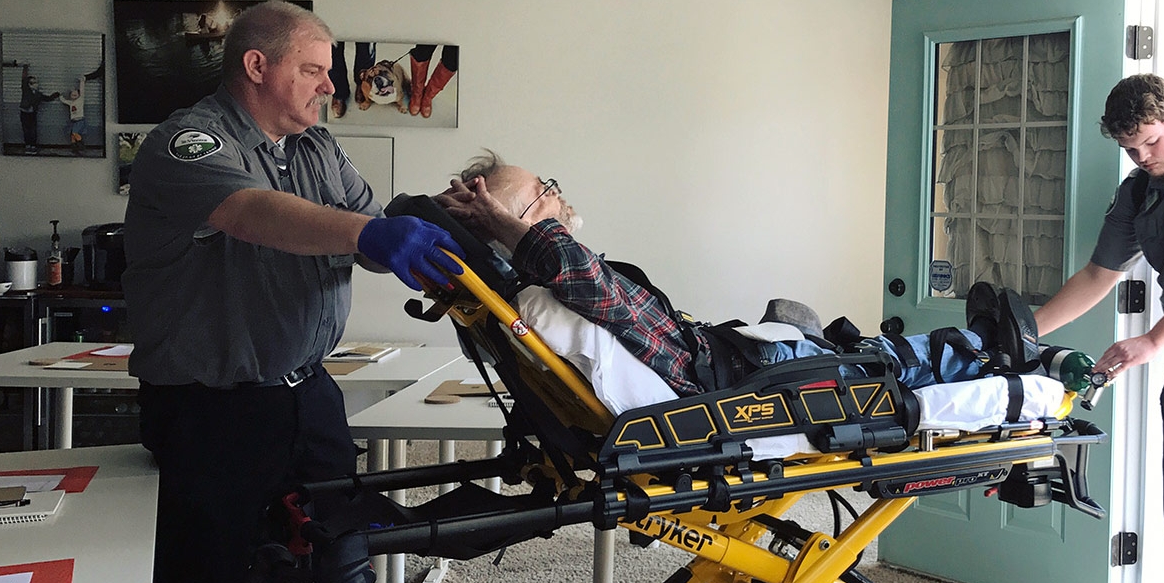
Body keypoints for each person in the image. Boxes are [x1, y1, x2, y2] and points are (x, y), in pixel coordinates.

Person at [123, 0, 464, 583]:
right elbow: (252, 213)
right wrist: (371, 232)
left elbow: (365, 229)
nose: (329, 85)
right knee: (203, 573)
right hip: (210, 403)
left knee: (325, 555)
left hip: (306, 389)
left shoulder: (317, 147)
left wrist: (433, 231)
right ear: (257, 65)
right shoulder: (188, 141)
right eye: (312, 70)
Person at [435, 152, 1027, 398]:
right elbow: (575, 269)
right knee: (876, 362)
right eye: (544, 192)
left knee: (815, 331)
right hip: (735, 380)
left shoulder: (548, 290)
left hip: (724, 354)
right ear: (520, 227)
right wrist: (503, 225)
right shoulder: (563, 287)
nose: (558, 195)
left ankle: (969, 346)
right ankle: (985, 348)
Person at [1031, 73, 1164, 583]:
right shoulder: (1137, 192)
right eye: (1130, 148)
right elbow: (1096, 277)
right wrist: (1023, 333)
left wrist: (1151, 339)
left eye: (1151, 141)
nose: (1142, 156)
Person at [18, 64, 59, 153]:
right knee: (26, 130)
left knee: (33, 130)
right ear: (29, 84)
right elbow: (24, 79)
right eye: (33, 83)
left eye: (36, 82)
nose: (36, 84)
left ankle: (33, 145)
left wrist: (55, 95)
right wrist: (25, 68)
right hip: (24, 113)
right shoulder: (26, 90)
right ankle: (28, 145)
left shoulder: (38, 94)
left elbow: (47, 98)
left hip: (32, 114)